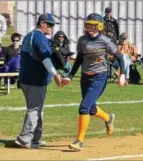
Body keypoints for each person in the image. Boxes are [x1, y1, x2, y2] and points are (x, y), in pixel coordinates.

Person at [61, 13, 125, 151]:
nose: (88, 26)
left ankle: (79, 141)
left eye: (92, 24)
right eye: (87, 24)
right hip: (85, 77)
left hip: (99, 77)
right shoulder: (82, 40)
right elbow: (79, 59)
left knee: (84, 107)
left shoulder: (106, 41)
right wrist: (70, 76)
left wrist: (122, 75)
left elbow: (120, 58)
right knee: (91, 109)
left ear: (99, 26)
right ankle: (108, 118)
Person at [15, 13, 64, 149]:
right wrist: (55, 74)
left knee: (38, 109)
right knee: (35, 109)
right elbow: (45, 58)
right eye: (50, 25)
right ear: (42, 24)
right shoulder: (39, 37)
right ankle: (25, 138)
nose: (52, 28)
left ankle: (35, 139)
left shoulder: (29, 35)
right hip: (35, 80)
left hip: (28, 78)